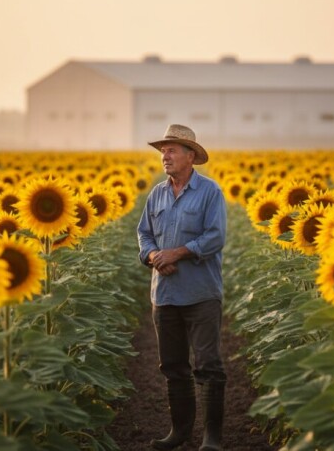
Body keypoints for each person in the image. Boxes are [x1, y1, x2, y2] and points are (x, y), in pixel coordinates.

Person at [137, 124, 227, 451]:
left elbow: (215, 237)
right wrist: (154, 256)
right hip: (164, 295)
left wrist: (177, 253)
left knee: (208, 366)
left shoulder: (210, 192)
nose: (165, 156)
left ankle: (212, 437)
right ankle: (180, 431)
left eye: (172, 150)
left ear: (191, 156)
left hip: (201, 294)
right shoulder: (157, 194)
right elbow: (144, 234)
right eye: (163, 151)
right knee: (173, 366)